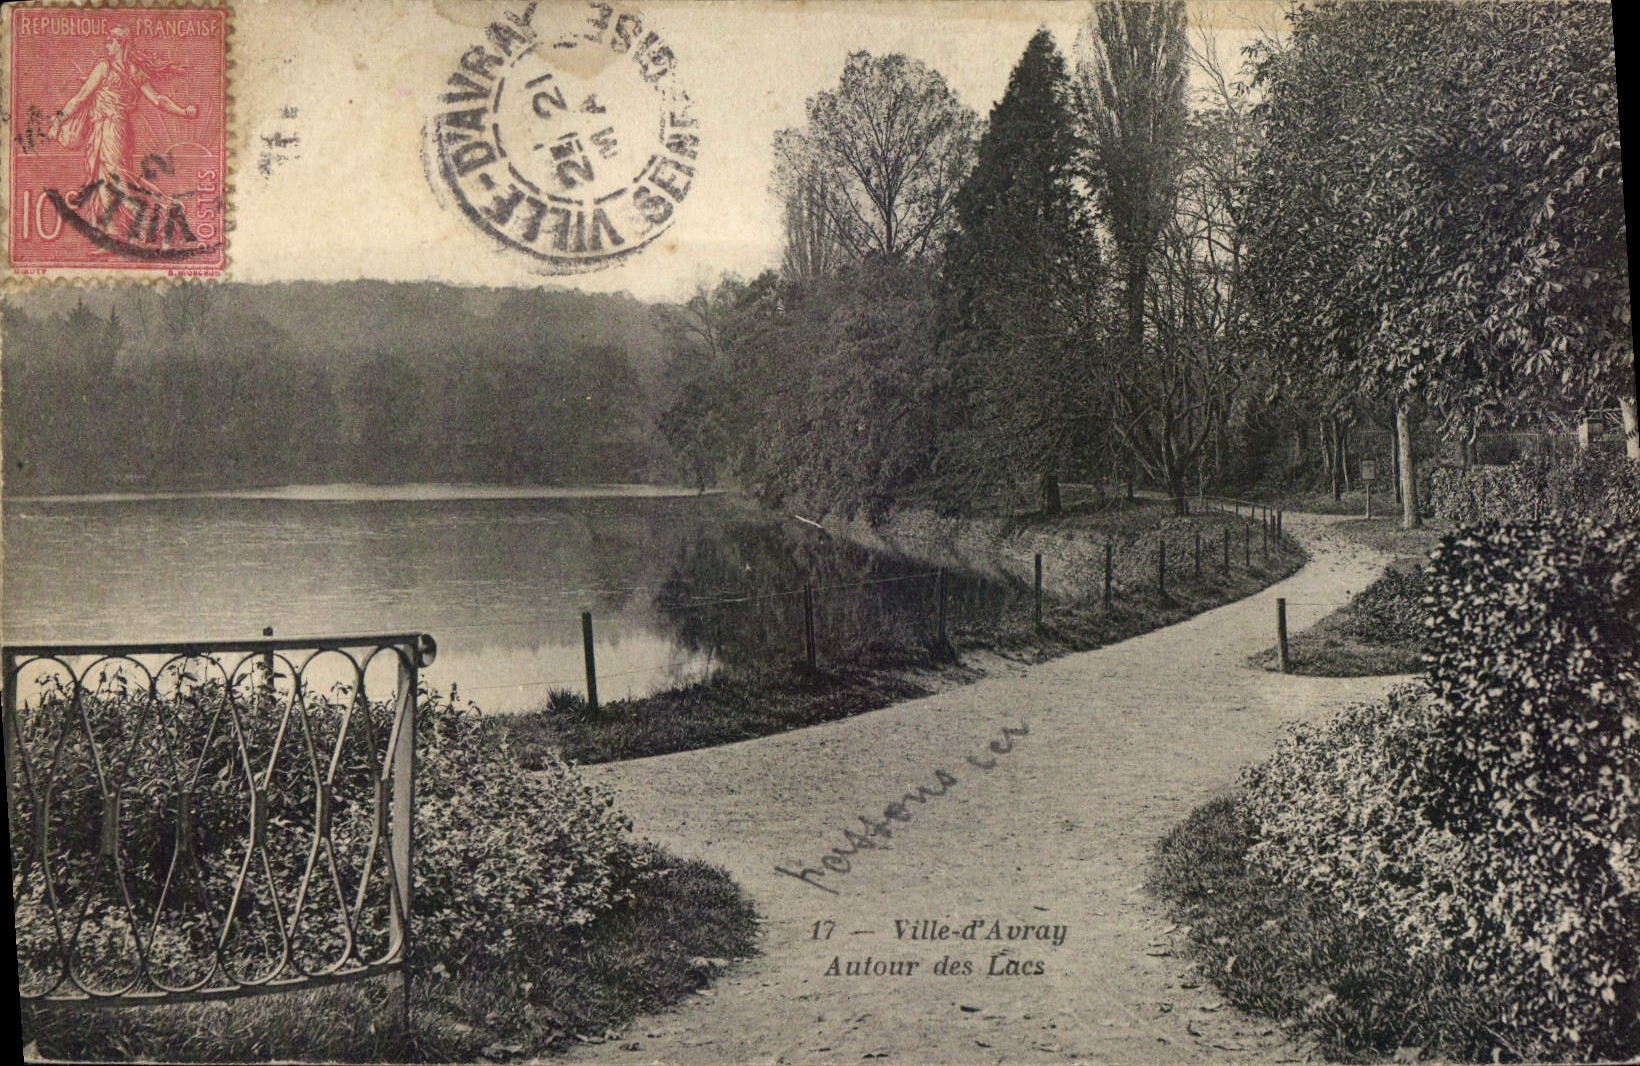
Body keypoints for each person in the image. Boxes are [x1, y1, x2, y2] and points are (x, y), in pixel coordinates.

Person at [46, 26, 198, 229]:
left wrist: (59, 119)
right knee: (105, 179)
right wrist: (183, 111)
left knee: (113, 179)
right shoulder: (134, 71)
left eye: (110, 41)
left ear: (121, 44)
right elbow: (159, 100)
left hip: (111, 129)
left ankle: (152, 217)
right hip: (114, 129)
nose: (106, 44)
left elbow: (81, 97)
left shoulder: (105, 67)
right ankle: (111, 231)